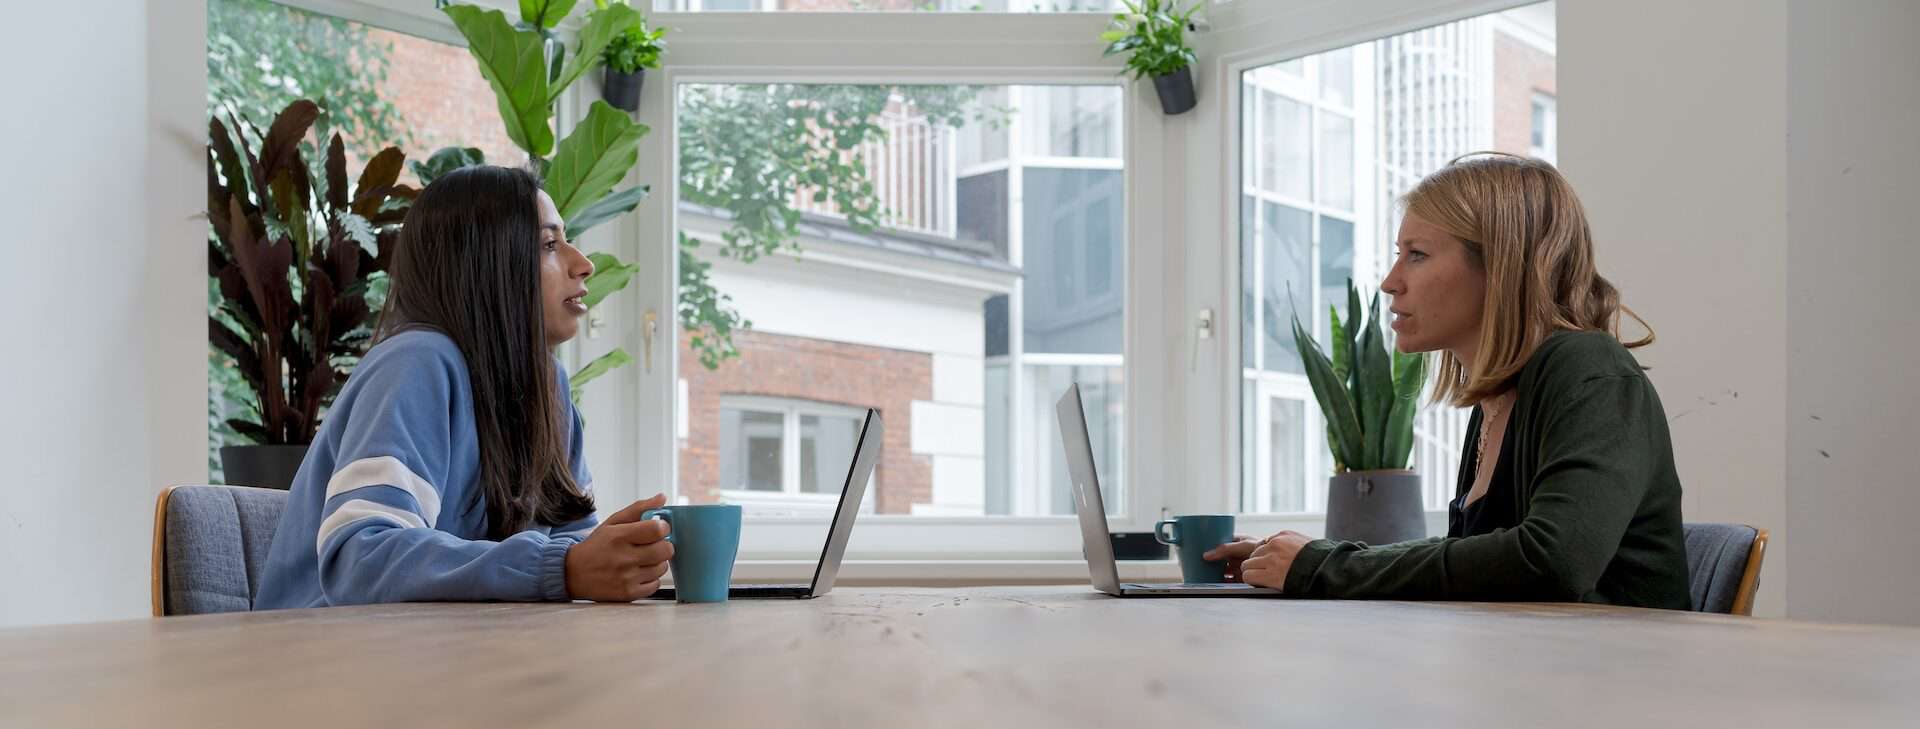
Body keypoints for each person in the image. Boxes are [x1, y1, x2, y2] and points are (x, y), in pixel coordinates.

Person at [1206, 153, 1691, 609]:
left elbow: (1551, 560)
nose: (1390, 281)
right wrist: (1309, 558)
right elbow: (1476, 560)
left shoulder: (1589, 370)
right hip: (1537, 679)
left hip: (1619, 687)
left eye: (1416, 254)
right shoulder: (1499, 400)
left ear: (1500, 265)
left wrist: (1327, 565)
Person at [255, 165, 672, 608]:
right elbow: (361, 558)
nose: (583, 264)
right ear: (486, 265)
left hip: (453, 657)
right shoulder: (417, 363)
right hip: (318, 660)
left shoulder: (548, 387)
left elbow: (570, 544)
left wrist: (611, 560)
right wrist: (561, 568)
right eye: (549, 244)